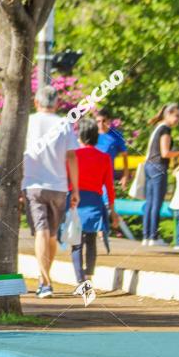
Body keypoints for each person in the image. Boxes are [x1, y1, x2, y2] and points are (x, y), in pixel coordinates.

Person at [22, 85, 80, 299]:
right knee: (52, 234)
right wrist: (76, 188)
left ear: (36, 102)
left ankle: (44, 281)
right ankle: (44, 279)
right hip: (59, 186)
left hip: (33, 184)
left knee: (41, 230)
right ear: (57, 103)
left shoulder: (27, 122)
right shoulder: (65, 124)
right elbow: (72, 157)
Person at [68, 118, 119, 291]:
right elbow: (109, 187)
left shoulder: (73, 156)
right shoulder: (104, 158)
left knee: (76, 243)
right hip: (95, 203)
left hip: (75, 201)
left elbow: (65, 180)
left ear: (80, 135)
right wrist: (112, 209)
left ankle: (80, 280)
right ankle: (88, 277)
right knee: (91, 240)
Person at [143, 103, 179, 246]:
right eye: (176, 116)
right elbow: (165, 153)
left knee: (149, 202)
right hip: (158, 167)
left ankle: (146, 236)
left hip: (149, 166)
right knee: (156, 202)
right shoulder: (165, 129)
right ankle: (154, 236)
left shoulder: (157, 127)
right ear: (168, 114)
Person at [95, 107, 131, 192]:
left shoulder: (116, 136)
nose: (101, 124)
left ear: (109, 121)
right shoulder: (92, 135)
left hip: (107, 177)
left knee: (107, 203)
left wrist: (125, 175)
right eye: (98, 121)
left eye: (103, 121)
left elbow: (125, 155)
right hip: (91, 176)